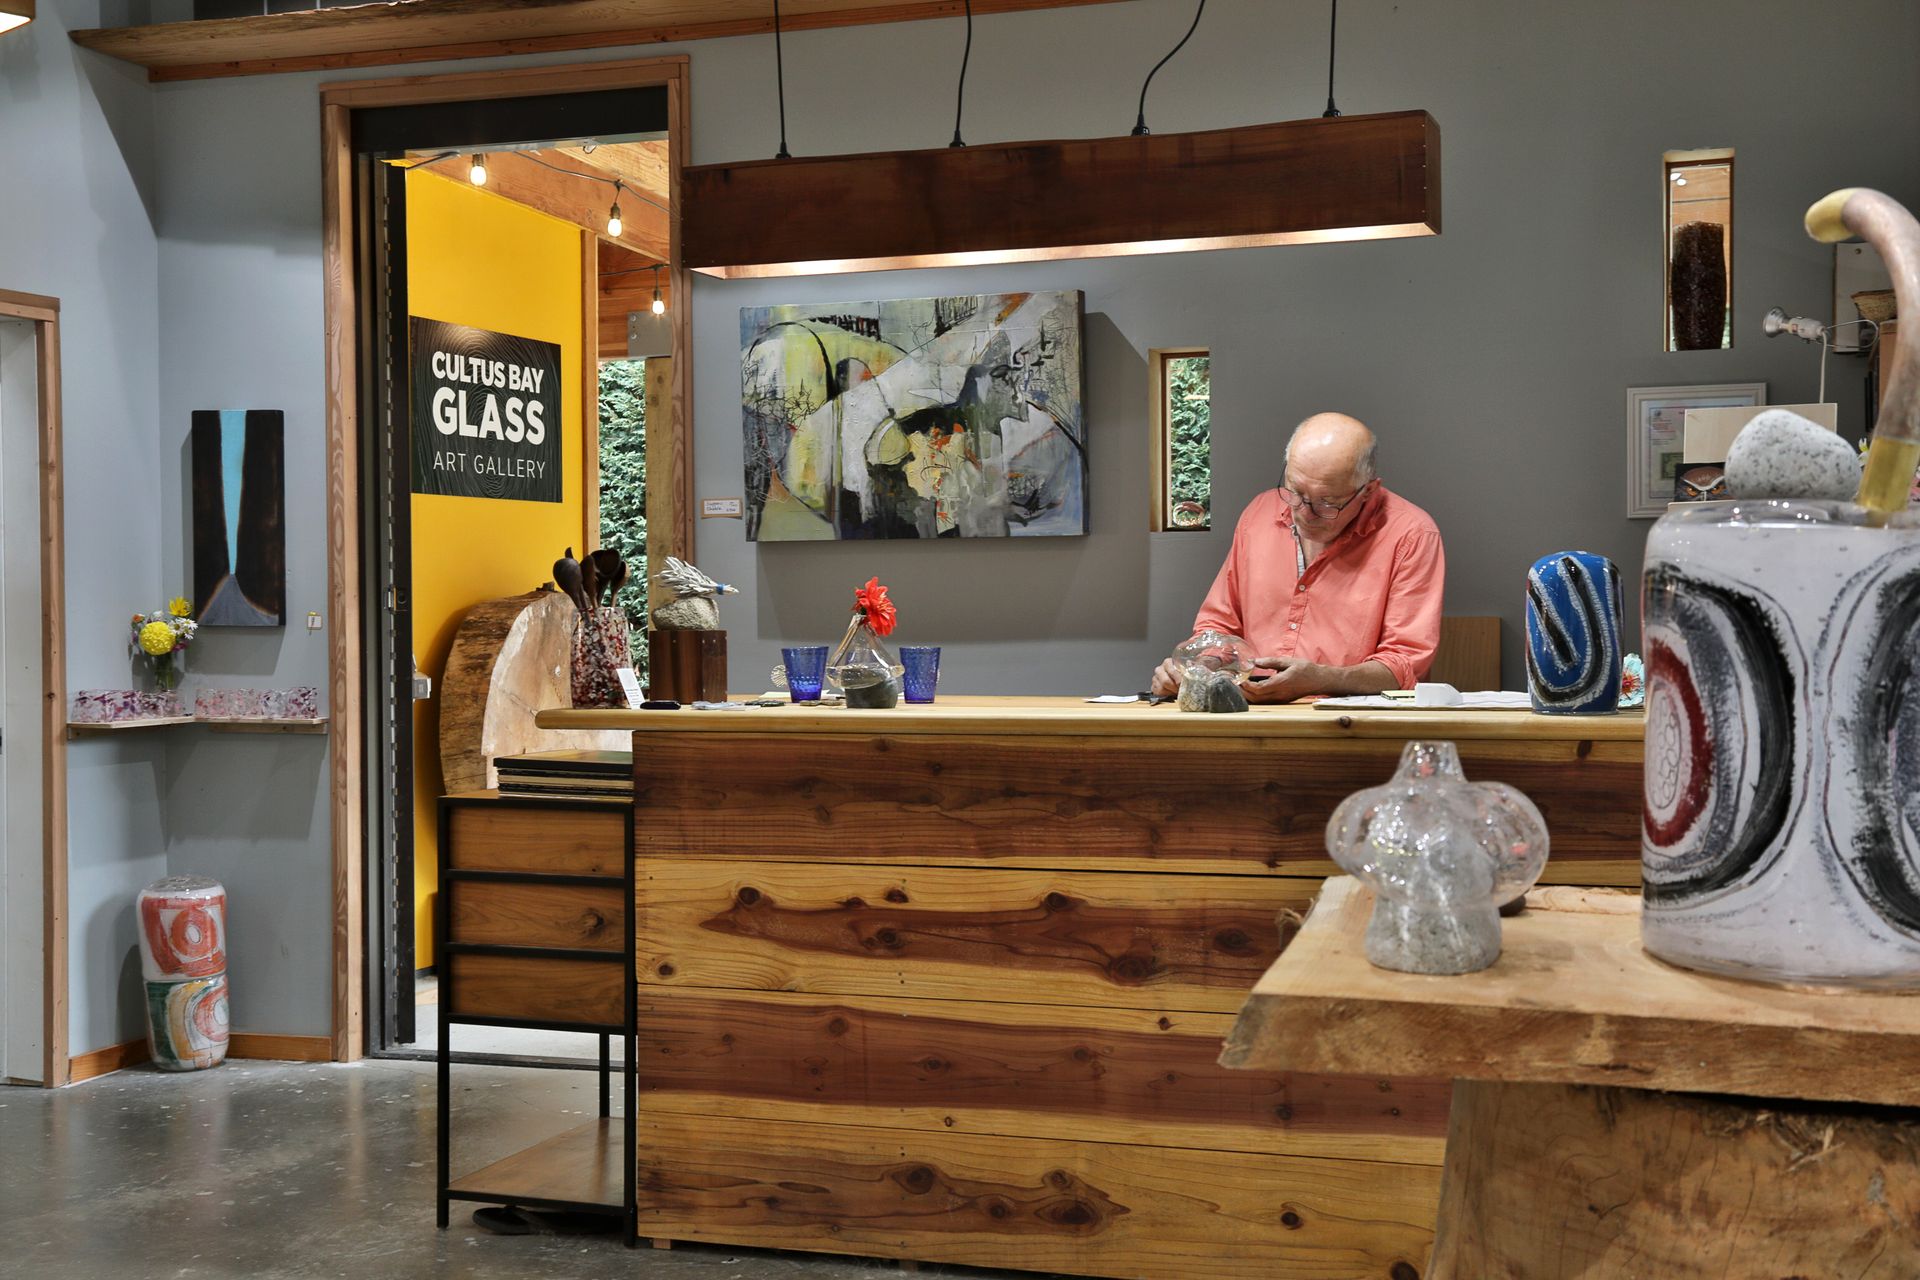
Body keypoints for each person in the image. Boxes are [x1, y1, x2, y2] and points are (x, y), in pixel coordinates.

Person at [1151, 412, 1445, 703]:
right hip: (1253, 713)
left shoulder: (1412, 534)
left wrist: (1323, 679)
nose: (1305, 512)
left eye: (1327, 503)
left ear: (1368, 490)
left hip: (1351, 719)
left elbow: (1404, 665)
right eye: (1295, 492)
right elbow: (1221, 625)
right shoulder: (1259, 513)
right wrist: (1199, 667)